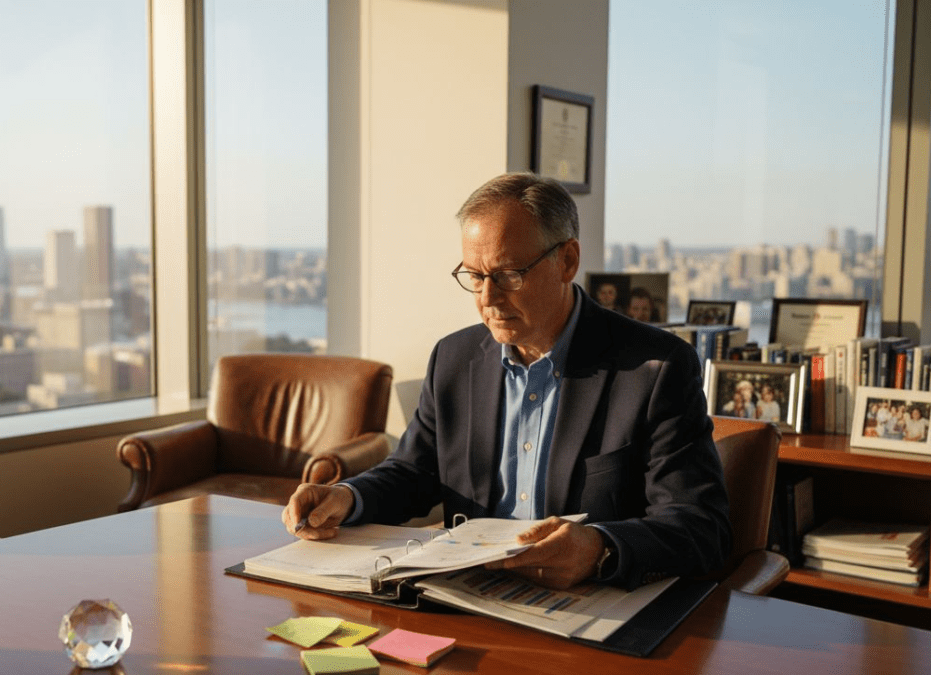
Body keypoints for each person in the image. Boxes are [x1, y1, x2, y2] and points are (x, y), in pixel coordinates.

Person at [282, 172, 731, 591]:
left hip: (587, 604)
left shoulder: (655, 367)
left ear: (567, 261)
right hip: (466, 595)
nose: (487, 299)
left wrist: (599, 547)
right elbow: (414, 472)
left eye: (508, 275)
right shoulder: (454, 359)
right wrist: (346, 495)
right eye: (475, 277)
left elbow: (700, 525)